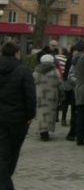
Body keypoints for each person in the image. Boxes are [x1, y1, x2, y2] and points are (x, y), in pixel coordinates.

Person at [0, 41, 36, 190]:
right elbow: (30, 97)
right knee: (12, 152)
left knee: (2, 151)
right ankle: (5, 181)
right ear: (16, 53)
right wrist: (30, 116)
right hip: (17, 119)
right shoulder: (23, 71)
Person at [32, 54, 62, 141]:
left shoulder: (36, 72)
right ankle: (47, 132)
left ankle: (43, 133)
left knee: (41, 114)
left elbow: (32, 83)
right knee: (49, 115)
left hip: (39, 96)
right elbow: (60, 83)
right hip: (51, 97)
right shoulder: (55, 71)